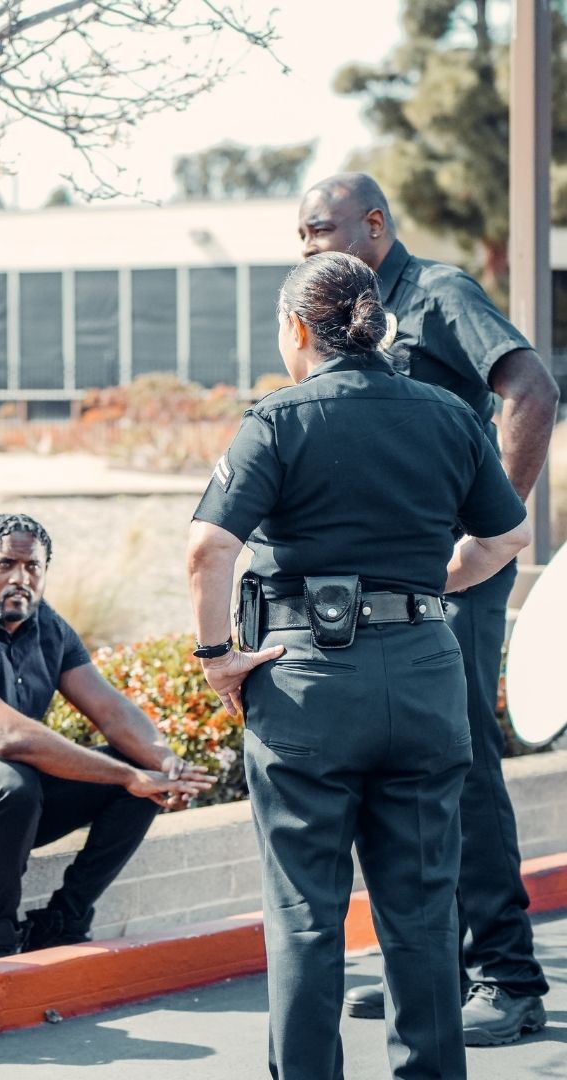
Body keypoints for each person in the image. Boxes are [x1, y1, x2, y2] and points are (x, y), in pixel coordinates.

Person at [188, 251, 531, 1079]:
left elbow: (208, 549)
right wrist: (423, 588)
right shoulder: (450, 415)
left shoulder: (277, 419)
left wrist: (215, 658)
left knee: (305, 915)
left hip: (307, 687)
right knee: (421, 915)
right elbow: (508, 537)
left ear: (298, 328)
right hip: (421, 673)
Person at [297, 172, 559, 1046]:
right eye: (299, 237)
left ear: (375, 225)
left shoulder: (439, 293)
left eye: (321, 231)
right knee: (418, 770)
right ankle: (436, 969)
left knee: (467, 763)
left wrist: (491, 539)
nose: (308, 250)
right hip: (398, 589)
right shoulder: (355, 315)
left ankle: (511, 981)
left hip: (455, 581)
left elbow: (530, 388)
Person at [0, 512, 215, 961]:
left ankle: (62, 921)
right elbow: (7, 738)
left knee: (139, 778)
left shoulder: (46, 626)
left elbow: (110, 711)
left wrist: (167, 768)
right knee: (11, 779)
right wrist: (124, 773)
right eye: (6, 565)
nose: (21, 578)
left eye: (32, 567)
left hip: (6, 808)